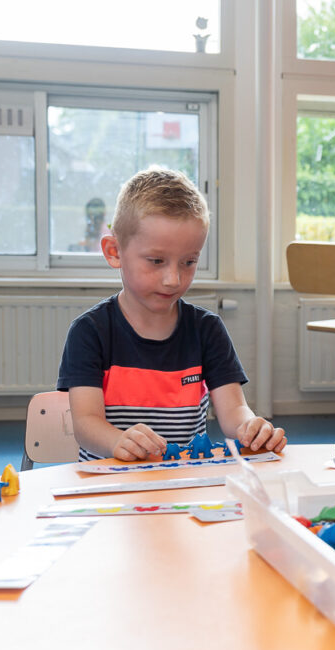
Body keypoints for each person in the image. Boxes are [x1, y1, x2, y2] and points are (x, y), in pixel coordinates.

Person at [57, 167, 286, 461]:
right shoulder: (89, 331)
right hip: (109, 487)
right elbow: (86, 423)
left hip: (181, 485)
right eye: (156, 261)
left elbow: (233, 411)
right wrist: (117, 441)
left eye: (188, 262)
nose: (173, 279)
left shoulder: (207, 329)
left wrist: (251, 427)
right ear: (114, 251)